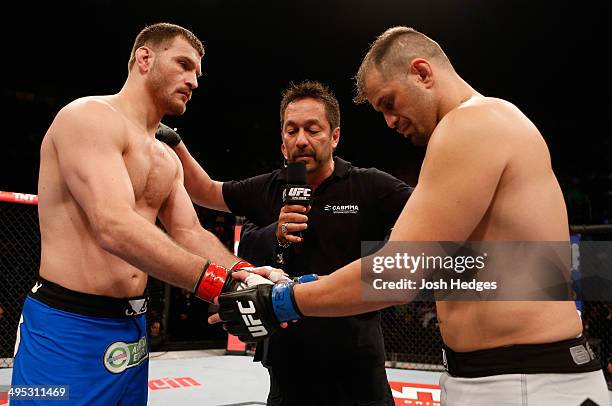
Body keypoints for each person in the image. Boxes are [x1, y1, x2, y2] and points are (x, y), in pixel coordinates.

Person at [212, 27, 610, 405]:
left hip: (523, 378)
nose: (388, 121)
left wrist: (282, 300)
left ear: (421, 73)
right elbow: (476, 266)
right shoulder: (489, 125)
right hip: (501, 373)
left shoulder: (472, 125)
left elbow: (398, 272)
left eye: (389, 102)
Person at [10, 22, 277, 406]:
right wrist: (218, 284)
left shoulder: (166, 157)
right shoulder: (87, 117)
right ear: (145, 58)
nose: (193, 81)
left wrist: (243, 274)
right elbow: (113, 226)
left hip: (132, 329)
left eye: (197, 73)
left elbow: (190, 233)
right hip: (68, 326)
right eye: (184, 65)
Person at [156, 80, 413, 405]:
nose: (301, 140)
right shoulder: (267, 188)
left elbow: (433, 212)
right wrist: (175, 143)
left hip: (356, 359)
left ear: (334, 136)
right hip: (287, 360)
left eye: (312, 129)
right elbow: (206, 191)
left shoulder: (370, 186)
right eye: (292, 131)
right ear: (282, 142)